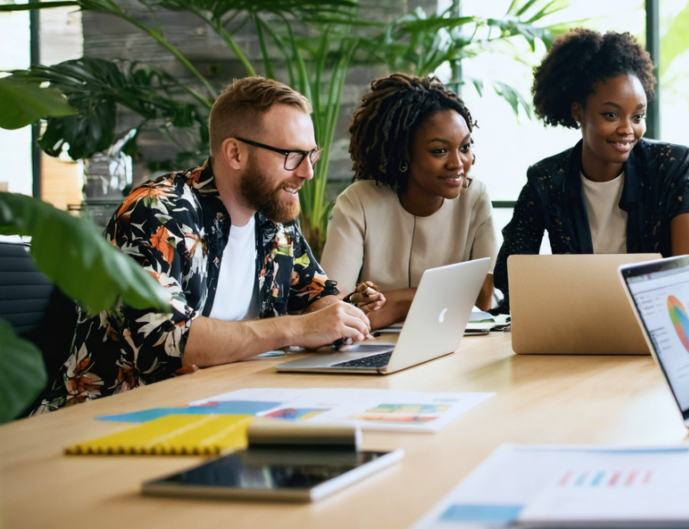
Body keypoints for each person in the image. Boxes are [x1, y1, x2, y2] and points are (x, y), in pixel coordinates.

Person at [35, 78, 383, 412]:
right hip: (110, 416)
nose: (307, 172)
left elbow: (315, 293)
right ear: (235, 153)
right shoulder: (157, 211)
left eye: (312, 155)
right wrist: (296, 328)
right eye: (291, 156)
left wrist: (340, 314)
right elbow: (165, 342)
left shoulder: (272, 221)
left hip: (223, 402)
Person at [492, 28, 689, 313]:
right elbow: (510, 276)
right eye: (611, 115)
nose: (627, 129)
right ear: (578, 112)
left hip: (661, 323)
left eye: (638, 116)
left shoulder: (672, 166)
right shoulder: (547, 179)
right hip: (579, 325)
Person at [321, 74, 497, 326]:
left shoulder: (475, 198)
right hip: (370, 345)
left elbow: (482, 298)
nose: (458, 163)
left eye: (465, 147)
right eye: (440, 150)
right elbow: (335, 308)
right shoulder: (358, 201)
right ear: (403, 154)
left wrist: (391, 302)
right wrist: (447, 295)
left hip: (452, 342)